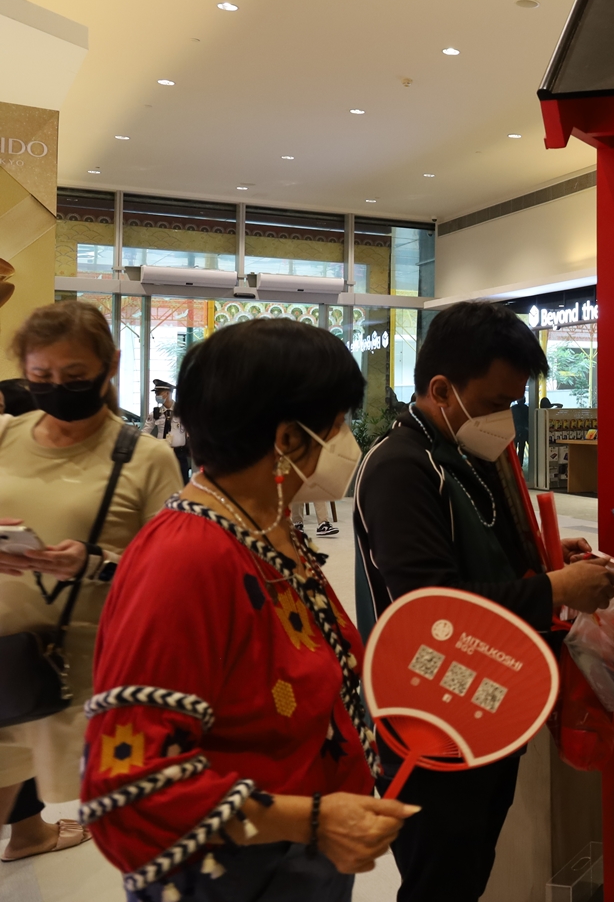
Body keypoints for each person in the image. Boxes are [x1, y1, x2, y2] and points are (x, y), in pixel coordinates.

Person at [81, 318, 412, 899]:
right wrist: (311, 820)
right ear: (287, 439)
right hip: (237, 876)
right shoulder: (188, 557)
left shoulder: (266, 528)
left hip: (298, 864)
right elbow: (126, 788)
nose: (346, 443)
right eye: (337, 424)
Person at [352, 300, 614, 902]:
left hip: (484, 701)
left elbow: (478, 553)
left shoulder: (466, 456)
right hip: (429, 721)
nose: (506, 420)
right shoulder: (401, 468)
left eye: (513, 403)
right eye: (497, 403)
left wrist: (547, 556)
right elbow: (429, 608)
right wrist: (554, 590)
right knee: (440, 882)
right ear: (442, 390)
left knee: (469, 871)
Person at [0, 302, 183, 862]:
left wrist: (95, 563)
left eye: (74, 375)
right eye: (41, 376)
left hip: (86, 672)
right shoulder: (5, 436)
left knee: (132, 832)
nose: (57, 389)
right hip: (4, 656)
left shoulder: (146, 457)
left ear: (110, 365)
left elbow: (172, 573)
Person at [145, 379, 191, 482]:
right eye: (156, 393)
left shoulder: (182, 411)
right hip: (162, 453)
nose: (156, 396)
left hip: (180, 453)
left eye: (158, 393)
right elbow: (145, 432)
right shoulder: (155, 413)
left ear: (167, 393)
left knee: (182, 482)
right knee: (163, 482)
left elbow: (191, 429)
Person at [511, 397, 529, 467]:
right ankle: (519, 464)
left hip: (515, 431)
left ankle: (513, 463)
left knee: (514, 448)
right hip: (524, 431)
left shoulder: (513, 408)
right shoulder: (527, 409)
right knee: (521, 449)